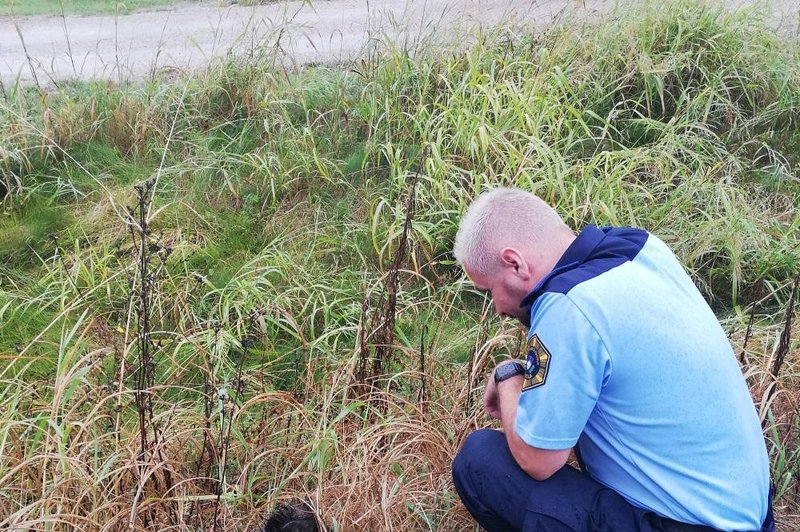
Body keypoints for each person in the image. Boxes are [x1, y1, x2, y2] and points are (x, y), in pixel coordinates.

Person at [450, 188, 774, 532]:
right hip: (749, 514)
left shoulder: (568, 307)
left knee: (479, 461)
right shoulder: (640, 248)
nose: (498, 308)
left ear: (515, 263)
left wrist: (508, 378)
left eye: (490, 291)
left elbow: (537, 459)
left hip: (688, 526)